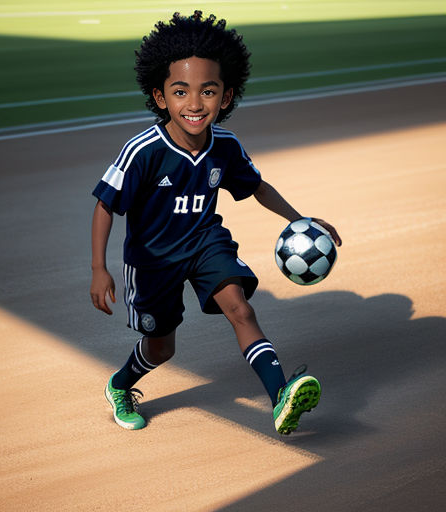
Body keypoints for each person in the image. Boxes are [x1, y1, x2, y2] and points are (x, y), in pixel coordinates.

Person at [90, 11, 342, 434]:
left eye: (208, 91)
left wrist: (299, 220)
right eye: (180, 91)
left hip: (206, 243)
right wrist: (99, 269)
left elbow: (256, 186)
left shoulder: (225, 146)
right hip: (153, 260)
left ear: (226, 97)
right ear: (159, 96)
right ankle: (120, 383)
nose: (194, 103)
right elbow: (104, 205)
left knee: (240, 309)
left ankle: (281, 397)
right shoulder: (143, 150)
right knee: (161, 348)